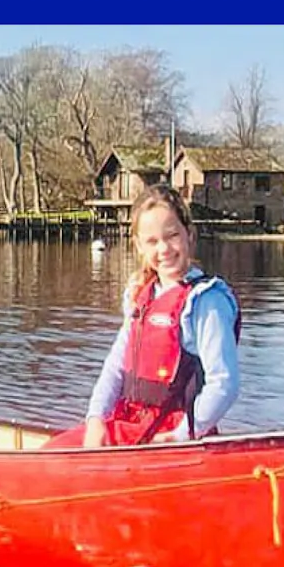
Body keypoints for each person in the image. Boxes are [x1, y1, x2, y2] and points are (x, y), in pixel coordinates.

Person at [45, 184, 241, 448]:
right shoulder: (140, 296)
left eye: (172, 236)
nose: (164, 249)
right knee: (56, 450)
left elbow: (224, 383)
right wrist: (96, 419)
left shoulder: (206, 300)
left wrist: (182, 435)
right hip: (133, 425)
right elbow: (115, 366)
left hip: (173, 435)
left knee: (54, 458)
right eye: (152, 241)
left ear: (189, 235)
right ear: (138, 246)